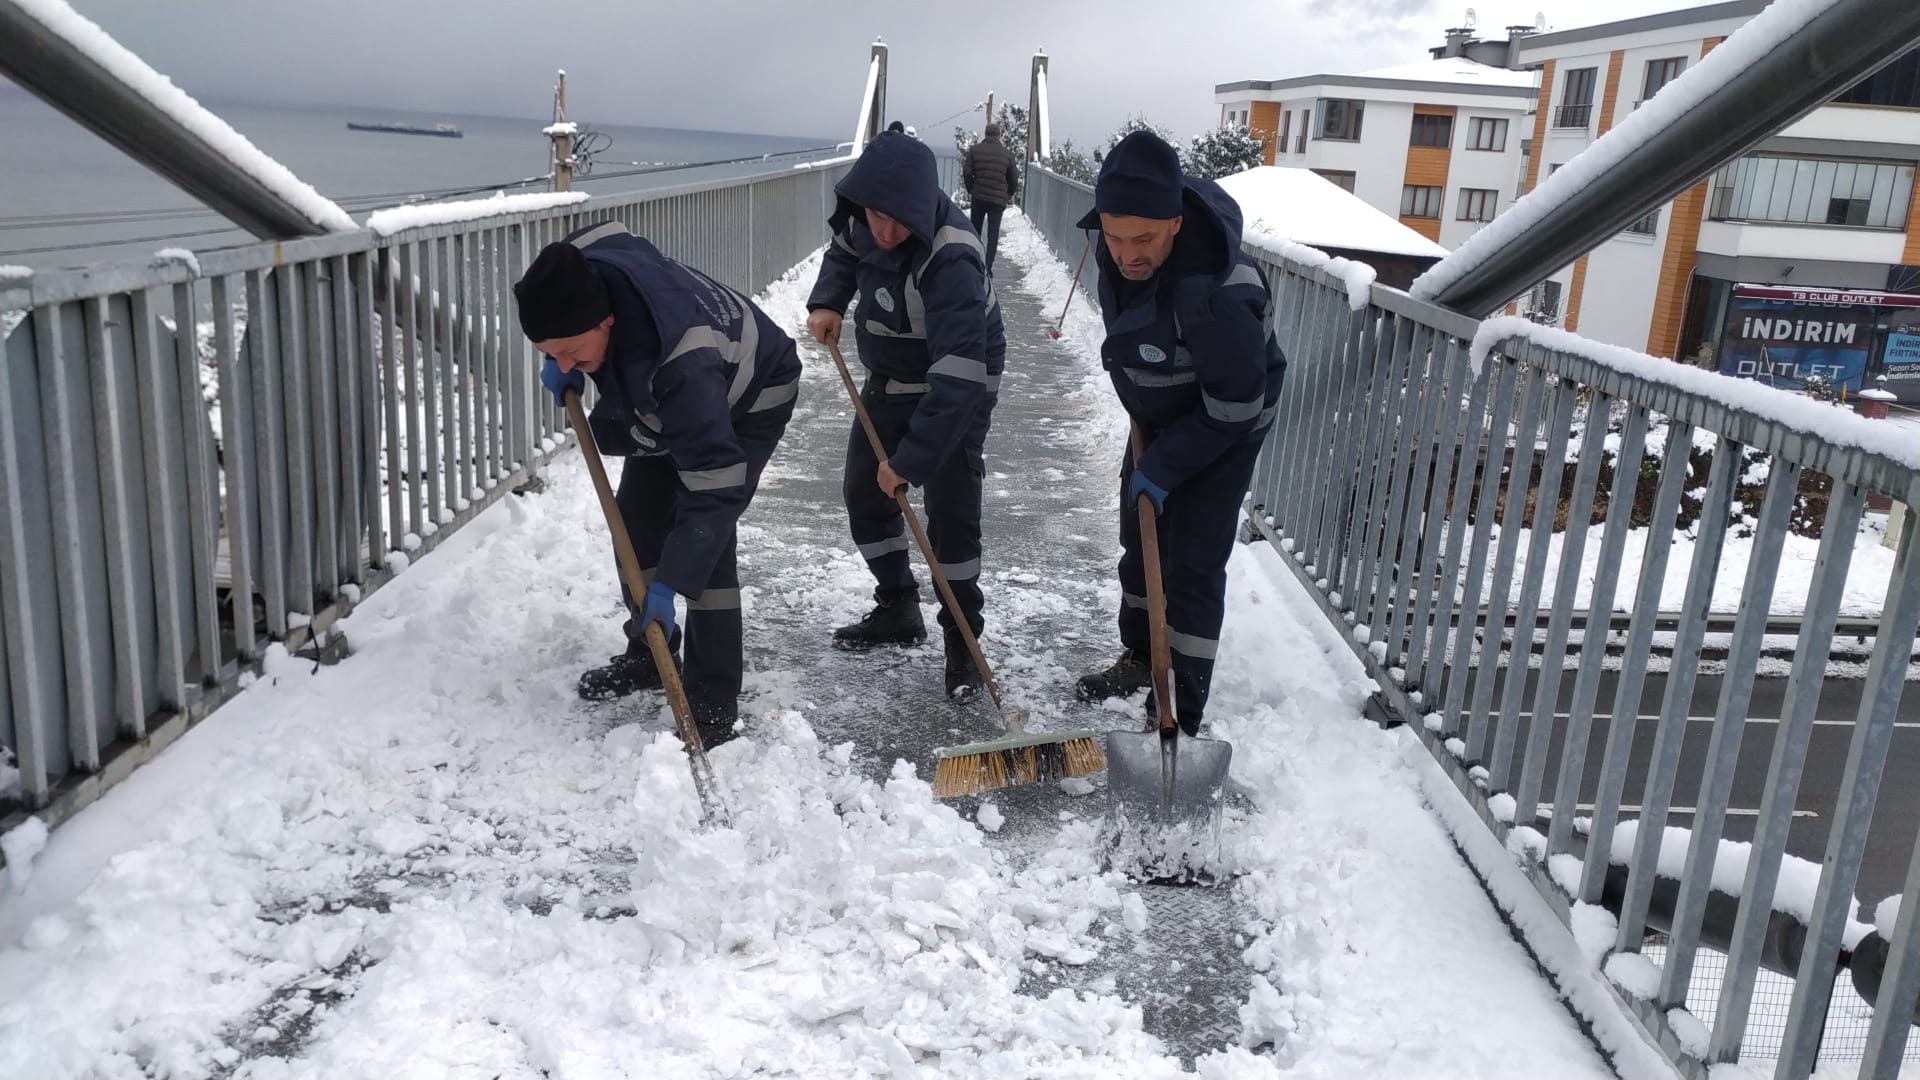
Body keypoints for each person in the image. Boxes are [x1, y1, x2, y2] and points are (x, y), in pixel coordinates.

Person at [513, 222, 802, 747]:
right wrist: (570, 362)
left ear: (607, 321)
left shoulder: (679, 361)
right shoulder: (581, 268)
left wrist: (673, 582)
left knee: (706, 549)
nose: (562, 365)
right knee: (639, 522)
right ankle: (651, 652)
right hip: (665, 392)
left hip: (750, 393)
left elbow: (713, 488)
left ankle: (712, 705)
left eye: (572, 351)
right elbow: (613, 234)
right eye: (548, 354)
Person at [1070, 131, 1287, 737]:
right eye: (1114, 237)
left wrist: (1166, 466)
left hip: (1224, 425)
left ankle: (1178, 711)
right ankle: (1142, 657)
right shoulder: (1121, 249)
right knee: (1139, 541)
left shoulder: (1219, 294)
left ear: (1175, 220)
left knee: (1190, 561)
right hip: (1160, 416)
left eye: (1143, 239)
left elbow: (1238, 404)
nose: (1127, 254)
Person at [804, 130, 1006, 701]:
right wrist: (828, 300)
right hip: (891, 375)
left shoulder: (953, 258)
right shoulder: (864, 221)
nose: (884, 231)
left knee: (950, 512)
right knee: (864, 493)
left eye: (897, 221)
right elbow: (844, 252)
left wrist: (911, 462)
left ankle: (963, 644)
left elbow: (959, 381)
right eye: (874, 216)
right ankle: (897, 607)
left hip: (958, 384)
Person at [961, 122, 1018, 274]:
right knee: (993, 235)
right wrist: (1009, 194)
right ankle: (988, 267)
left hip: (978, 196)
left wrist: (971, 188)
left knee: (975, 231)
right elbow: (1014, 177)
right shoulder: (1007, 154)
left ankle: (974, 263)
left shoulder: (974, 151)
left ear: (985, 134)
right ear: (999, 135)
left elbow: (967, 172)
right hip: (997, 200)